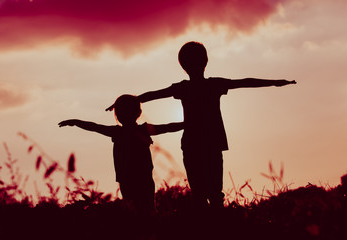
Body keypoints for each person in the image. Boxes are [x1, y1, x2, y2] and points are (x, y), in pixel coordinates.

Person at [107, 41, 296, 209]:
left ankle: (207, 225)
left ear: (183, 65)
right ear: (205, 61)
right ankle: (213, 224)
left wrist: (125, 103)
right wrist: (275, 82)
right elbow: (245, 82)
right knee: (213, 193)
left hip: (195, 143)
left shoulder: (187, 87)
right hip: (207, 143)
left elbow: (153, 94)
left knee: (202, 193)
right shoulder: (211, 85)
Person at [59, 94, 184, 212]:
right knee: (145, 209)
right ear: (139, 113)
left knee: (135, 209)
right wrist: (187, 124)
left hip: (132, 178)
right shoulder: (140, 130)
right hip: (138, 178)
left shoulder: (119, 132)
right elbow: (168, 127)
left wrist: (75, 122)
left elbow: (94, 126)